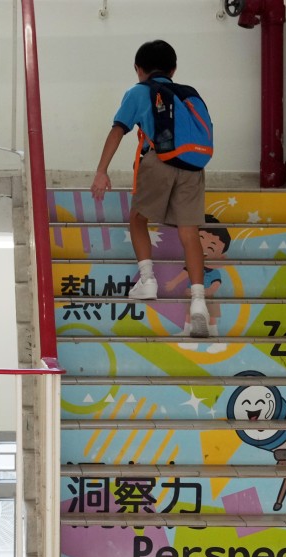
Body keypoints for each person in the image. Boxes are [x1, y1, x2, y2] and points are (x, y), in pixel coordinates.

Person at [91, 39, 211, 337]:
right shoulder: (190, 94)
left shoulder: (139, 91)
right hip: (193, 167)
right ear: (173, 69)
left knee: (138, 218)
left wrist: (101, 170)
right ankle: (198, 302)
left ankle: (147, 280)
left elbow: (118, 129)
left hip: (157, 161)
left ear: (138, 69)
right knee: (189, 232)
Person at [165, 215, 230, 336]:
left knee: (212, 315)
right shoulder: (192, 266)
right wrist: (174, 282)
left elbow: (215, 285)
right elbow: (184, 274)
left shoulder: (214, 272)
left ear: (221, 257)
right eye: (198, 243)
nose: (202, 251)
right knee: (189, 313)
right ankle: (186, 330)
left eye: (211, 247)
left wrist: (208, 291)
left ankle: (214, 332)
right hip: (192, 294)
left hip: (209, 298)